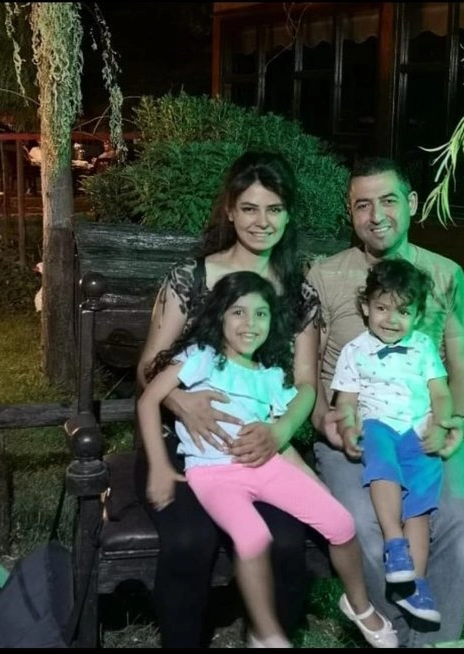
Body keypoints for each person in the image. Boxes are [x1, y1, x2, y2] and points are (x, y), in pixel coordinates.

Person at [138, 270, 398, 649]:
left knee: (341, 522)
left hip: (265, 467)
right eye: (238, 312)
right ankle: (266, 633)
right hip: (214, 474)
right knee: (254, 537)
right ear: (220, 316)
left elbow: (279, 444)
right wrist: (160, 467)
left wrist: (314, 481)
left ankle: (359, 605)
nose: (250, 323)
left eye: (261, 314)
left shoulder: (271, 377)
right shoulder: (202, 358)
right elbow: (149, 400)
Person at [135, 150, 320, 648]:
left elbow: (306, 384)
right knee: (189, 538)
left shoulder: (299, 294)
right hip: (184, 443)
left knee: (285, 538)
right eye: (250, 208)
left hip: (259, 442)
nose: (262, 221)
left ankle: (270, 637)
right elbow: (148, 365)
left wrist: (280, 431)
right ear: (230, 211)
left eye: (274, 209)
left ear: (289, 215)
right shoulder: (190, 278)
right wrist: (181, 403)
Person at [307, 156, 464, 647]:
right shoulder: (324, 276)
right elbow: (308, 372)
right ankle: (397, 637)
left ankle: (430, 643)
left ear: (412, 203)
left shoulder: (445, 274)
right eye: (362, 205)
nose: (376, 215)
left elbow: (462, 369)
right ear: (350, 212)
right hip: (358, 434)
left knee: (463, 518)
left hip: (429, 427)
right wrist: (326, 420)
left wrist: (456, 420)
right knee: (363, 523)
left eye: (388, 200)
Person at [332, 259, 453, 626]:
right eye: (382, 308)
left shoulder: (424, 347)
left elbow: (441, 393)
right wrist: (348, 427)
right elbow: (346, 402)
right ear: (366, 307)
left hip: (417, 429)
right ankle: (394, 543)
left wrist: (440, 424)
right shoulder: (354, 350)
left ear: (417, 315)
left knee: (419, 503)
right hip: (377, 424)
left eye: (403, 311)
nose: (391, 319)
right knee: (382, 463)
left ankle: (415, 583)